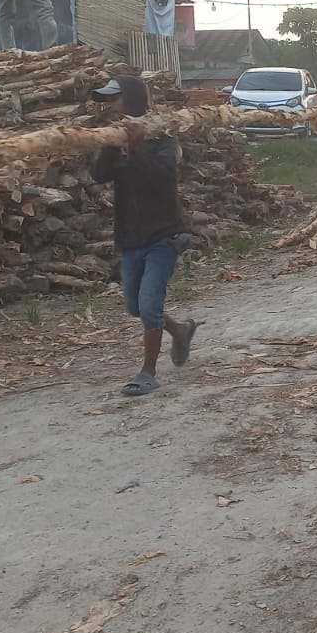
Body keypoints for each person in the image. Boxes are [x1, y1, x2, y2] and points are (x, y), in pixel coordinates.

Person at [91, 75, 199, 396]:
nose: (110, 105)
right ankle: (180, 331)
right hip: (130, 236)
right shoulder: (115, 139)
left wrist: (136, 147)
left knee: (150, 304)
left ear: (134, 100)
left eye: (115, 98)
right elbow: (98, 175)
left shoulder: (164, 138)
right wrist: (113, 146)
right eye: (107, 100)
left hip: (164, 235)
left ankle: (147, 372)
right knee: (135, 307)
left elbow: (161, 177)